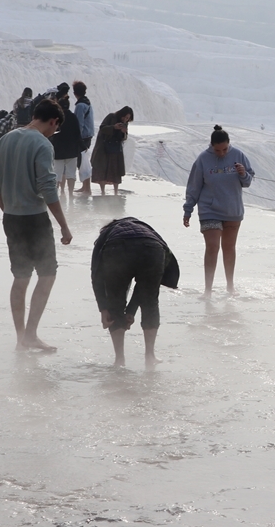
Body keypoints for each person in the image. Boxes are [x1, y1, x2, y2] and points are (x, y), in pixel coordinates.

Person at [0, 98, 73, 352]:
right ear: (53, 121)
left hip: (11, 219)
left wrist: (8, 209)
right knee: (47, 275)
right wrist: (64, 227)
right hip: (35, 219)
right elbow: (47, 188)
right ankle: (31, 335)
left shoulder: (5, 140)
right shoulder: (42, 144)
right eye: (55, 129)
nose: (53, 133)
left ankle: (20, 337)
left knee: (20, 276)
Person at [91, 217, 179, 367]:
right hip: (152, 248)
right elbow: (144, 286)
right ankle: (150, 356)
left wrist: (104, 308)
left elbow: (97, 274)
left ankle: (119, 360)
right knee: (150, 301)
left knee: (115, 303)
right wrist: (131, 310)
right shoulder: (148, 230)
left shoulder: (106, 235)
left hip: (117, 248)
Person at [182, 125, 254, 294]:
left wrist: (243, 173)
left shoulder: (238, 155)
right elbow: (194, 186)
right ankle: (208, 289)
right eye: (217, 150)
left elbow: (248, 182)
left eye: (224, 149)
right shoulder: (202, 159)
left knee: (229, 248)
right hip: (210, 210)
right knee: (213, 246)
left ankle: (230, 286)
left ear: (229, 144)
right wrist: (188, 210)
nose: (221, 153)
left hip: (232, 210)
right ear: (211, 146)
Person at [90, 106, 133, 195]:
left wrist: (124, 132)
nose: (125, 119)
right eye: (124, 117)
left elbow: (124, 138)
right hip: (104, 148)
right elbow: (102, 128)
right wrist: (113, 127)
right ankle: (102, 191)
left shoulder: (125, 123)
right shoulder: (111, 117)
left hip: (116, 149)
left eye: (127, 118)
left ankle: (116, 192)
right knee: (102, 170)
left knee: (115, 171)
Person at [49, 95, 82, 196]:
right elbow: (78, 134)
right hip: (72, 151)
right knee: (71, 174)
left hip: (58, 150)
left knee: (57, 173)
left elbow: (52, 132)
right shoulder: (73, 117)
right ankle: (71, 194)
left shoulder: (56, 117)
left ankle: (56, 194)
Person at [73, 81, 95, 194]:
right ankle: (85, 186)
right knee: (84, 161)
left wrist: (77, 137)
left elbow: (79, 124)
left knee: (82, 162)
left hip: (83, 137)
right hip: (88, 135)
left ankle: (87, 188)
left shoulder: (80, 105)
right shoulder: (87, 103)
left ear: (74, 93)